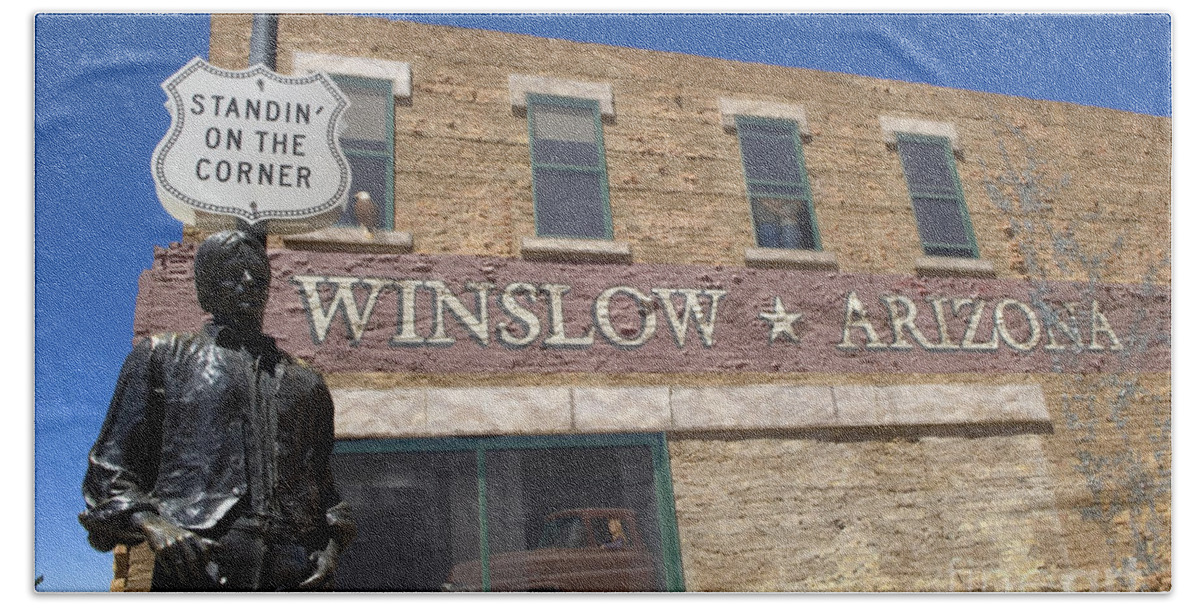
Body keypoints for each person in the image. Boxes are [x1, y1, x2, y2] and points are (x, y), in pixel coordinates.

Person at [80, 230, 355, 591]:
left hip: (292, 570)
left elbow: (322, 488)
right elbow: (108, 472)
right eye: (232, 270)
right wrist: (156, 525)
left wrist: (330, 548)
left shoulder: (307, 383)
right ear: (206, 285)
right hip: (201, 563)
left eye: (257, 272)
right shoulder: (162, 357)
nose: (248, 280)